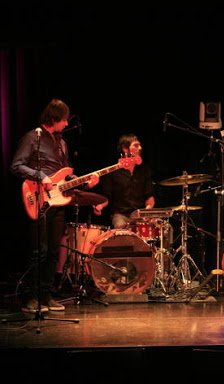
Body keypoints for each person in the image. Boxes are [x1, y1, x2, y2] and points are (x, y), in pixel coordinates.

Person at [11, 98, 100, 313]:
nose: (67, 124)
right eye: (64, 120)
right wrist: (40, 175)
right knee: (38, 251)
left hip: (58, 202)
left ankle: (46, 295)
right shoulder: (32, 138)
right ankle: (30, 297)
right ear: (53, 119)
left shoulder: (62, 143)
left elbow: (65, 173)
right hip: (38, 200)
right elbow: (16, 166)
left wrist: (84, 179)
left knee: (52, 251)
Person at [93, 133, 155, 228]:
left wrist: (147, 211)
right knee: (120, 225)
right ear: (125, 148)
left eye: (140, 145)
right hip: (120, 215)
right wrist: (99, 206)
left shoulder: (144, 170)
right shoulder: (113, 171)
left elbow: (149, 197)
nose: (140, 148)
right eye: (136, 145)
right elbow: (106, 197)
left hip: (139, 214)